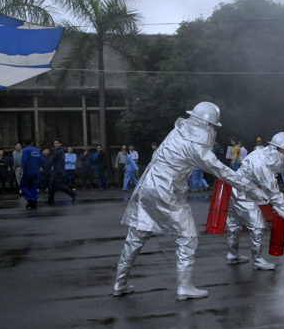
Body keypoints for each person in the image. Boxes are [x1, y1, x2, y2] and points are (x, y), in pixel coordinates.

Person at [114, 102, 267, 300]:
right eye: (213, 126)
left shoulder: (178, 132)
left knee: (137, 234)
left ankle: (119, 283)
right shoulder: (195, 144)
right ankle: (184, 287)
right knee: (188, 237)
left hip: (148, 186)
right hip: (167, 191)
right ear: (207, 124)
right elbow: (220, 170)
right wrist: (251, 189)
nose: (213, 130)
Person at [225, 132, 284, 270]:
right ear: (274, 149)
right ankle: (257, 261)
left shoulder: (264, 154)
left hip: (238, 187)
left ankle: (232, 254)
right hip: (241, 190)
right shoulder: (262, 164)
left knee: (234, 224)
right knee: (257, 225)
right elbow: (273, 194)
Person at [46, 138, 77, 205]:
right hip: (58, 169)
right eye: (54, 143)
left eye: (57, 143)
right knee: (51, 185)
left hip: (58, 170)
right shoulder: (59, 151)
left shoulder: (59, 152)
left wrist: (52, 160)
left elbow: (52, 159)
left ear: (60, 144)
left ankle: (73, 194)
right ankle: (50, 199)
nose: (55, 144)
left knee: (59, 185)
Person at [20, 139, 42, 209]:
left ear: (24, 144)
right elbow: (40, 160)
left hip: (28, 170)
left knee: (23, 185)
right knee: (33, 185)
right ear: (32, 143)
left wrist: (21, 169)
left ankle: (30, 198)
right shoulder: (37, 150)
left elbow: (24, 160)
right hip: (36, 170)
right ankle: (34, 201)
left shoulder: (25, 150)